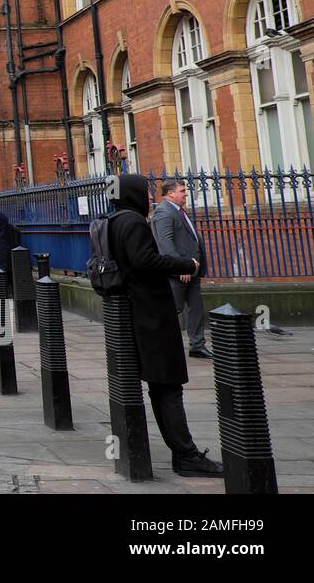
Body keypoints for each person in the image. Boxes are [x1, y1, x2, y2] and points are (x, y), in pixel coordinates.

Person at [107, 173, 222, 477]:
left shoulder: (115, 220)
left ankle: (183, 453)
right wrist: (185, 264)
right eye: (144, 193)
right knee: (168, 387)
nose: (149, 198)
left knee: (162, 387)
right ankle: (186, 455)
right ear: (130, 194)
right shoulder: (132, 222)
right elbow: (145, 261)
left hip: (140, 312)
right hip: (152, 315)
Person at [152, 180, 211, 359]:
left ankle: (197, 345)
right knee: (173, 310)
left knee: (196, 309)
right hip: (180, 272)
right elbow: (165, 244)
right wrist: (180, 267)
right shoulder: (164, 211)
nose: (186, 194)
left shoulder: (178, 211)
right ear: (170, 193)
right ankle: (162, 345)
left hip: (191, 270)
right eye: (182, 191)